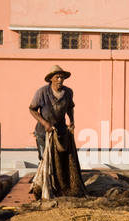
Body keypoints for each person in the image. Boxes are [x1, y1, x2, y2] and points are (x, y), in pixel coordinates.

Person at [29, 65, 86, 199]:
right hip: (44, 132)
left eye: (62, 77)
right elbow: (32, 109)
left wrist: (71, 121)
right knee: (44, 158)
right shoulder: (42, 92)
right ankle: (44, 188)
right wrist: (45, 123)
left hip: (60, 131)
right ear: (51, 79)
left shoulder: (68, 92)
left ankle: (60, 187)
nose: (60, 80)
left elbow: (70, 107)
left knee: (60, 160)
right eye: (57, 77)